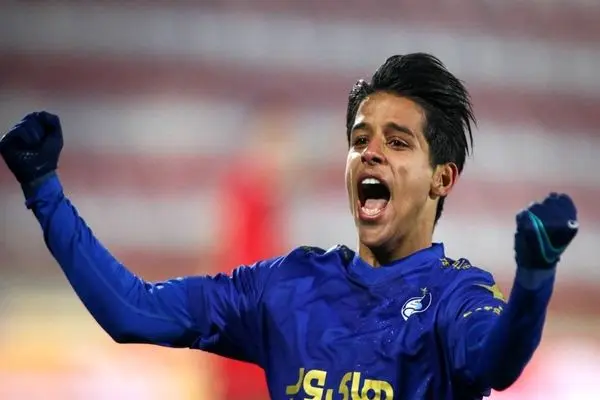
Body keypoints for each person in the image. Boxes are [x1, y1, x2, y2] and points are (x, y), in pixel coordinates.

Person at [0, 53, 579, 399]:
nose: (370, 153)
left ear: (442, 178)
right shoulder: (285, 285)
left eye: (398, 142)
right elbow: (133, 312)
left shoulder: (456, 296)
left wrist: (534, 278)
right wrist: (45, 191)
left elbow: (497, 361)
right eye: (360, 139)